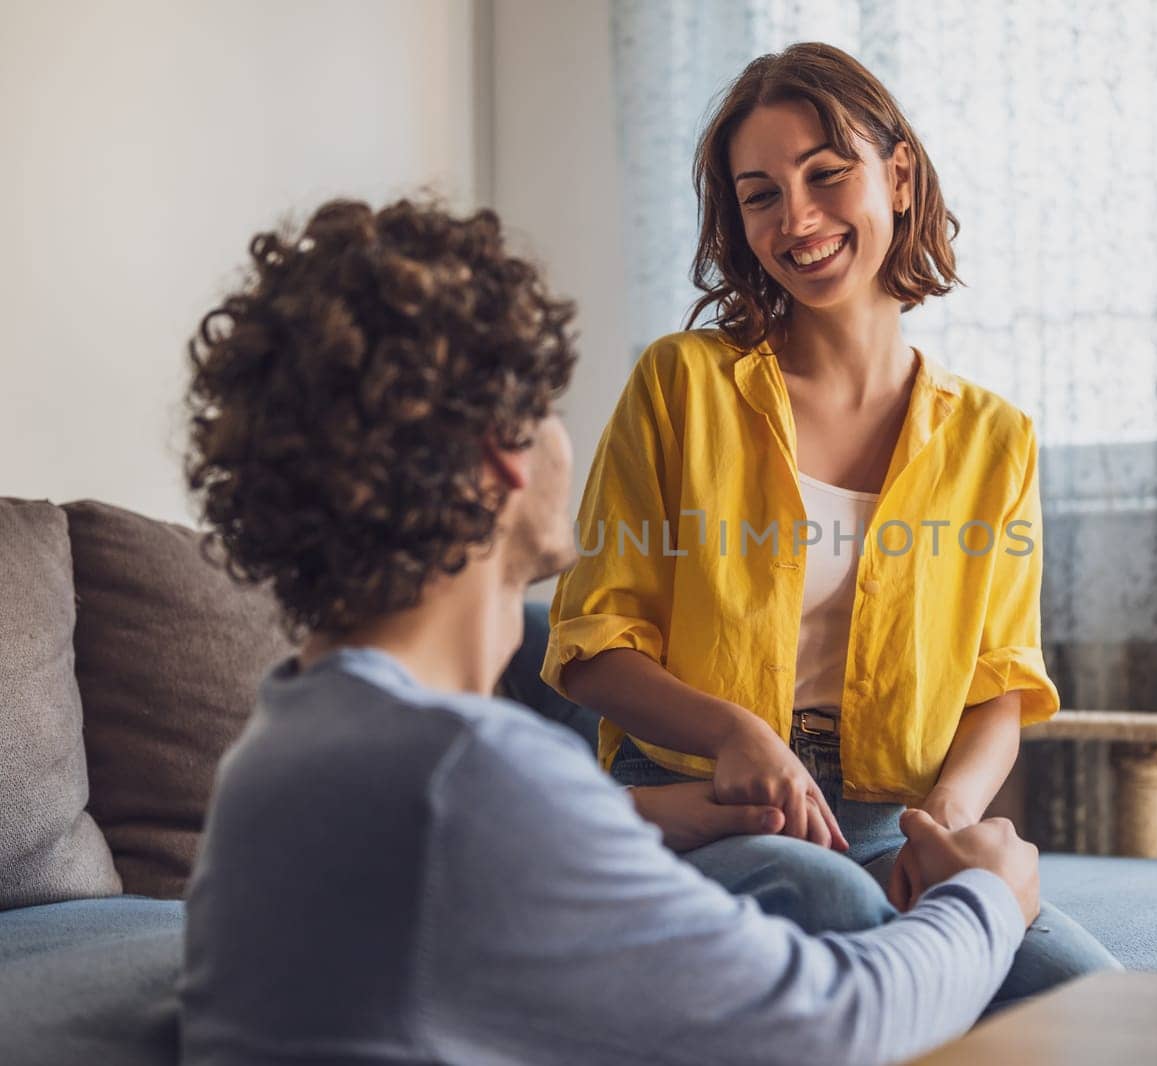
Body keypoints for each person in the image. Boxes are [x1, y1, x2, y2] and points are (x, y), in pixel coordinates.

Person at [179, 197, 1044, 1066]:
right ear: (499, 459)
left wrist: (662, 815)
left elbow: (490, 855)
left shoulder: (285, 744)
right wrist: (989, 900)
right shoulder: (469, 772)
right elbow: (833, 1025)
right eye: (545, 404)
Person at [537, 42, 1119, 1002]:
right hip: (708, 809)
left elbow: (1001, 684)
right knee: (834, 909)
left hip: (891, 825)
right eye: (760, 194)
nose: (796, 219)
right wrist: (734, 734)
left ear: (897, 175)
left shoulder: (994, 438)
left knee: (1092, 999)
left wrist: (950, 821)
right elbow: (591, 641)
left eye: (825, 174)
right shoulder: (679, 385)